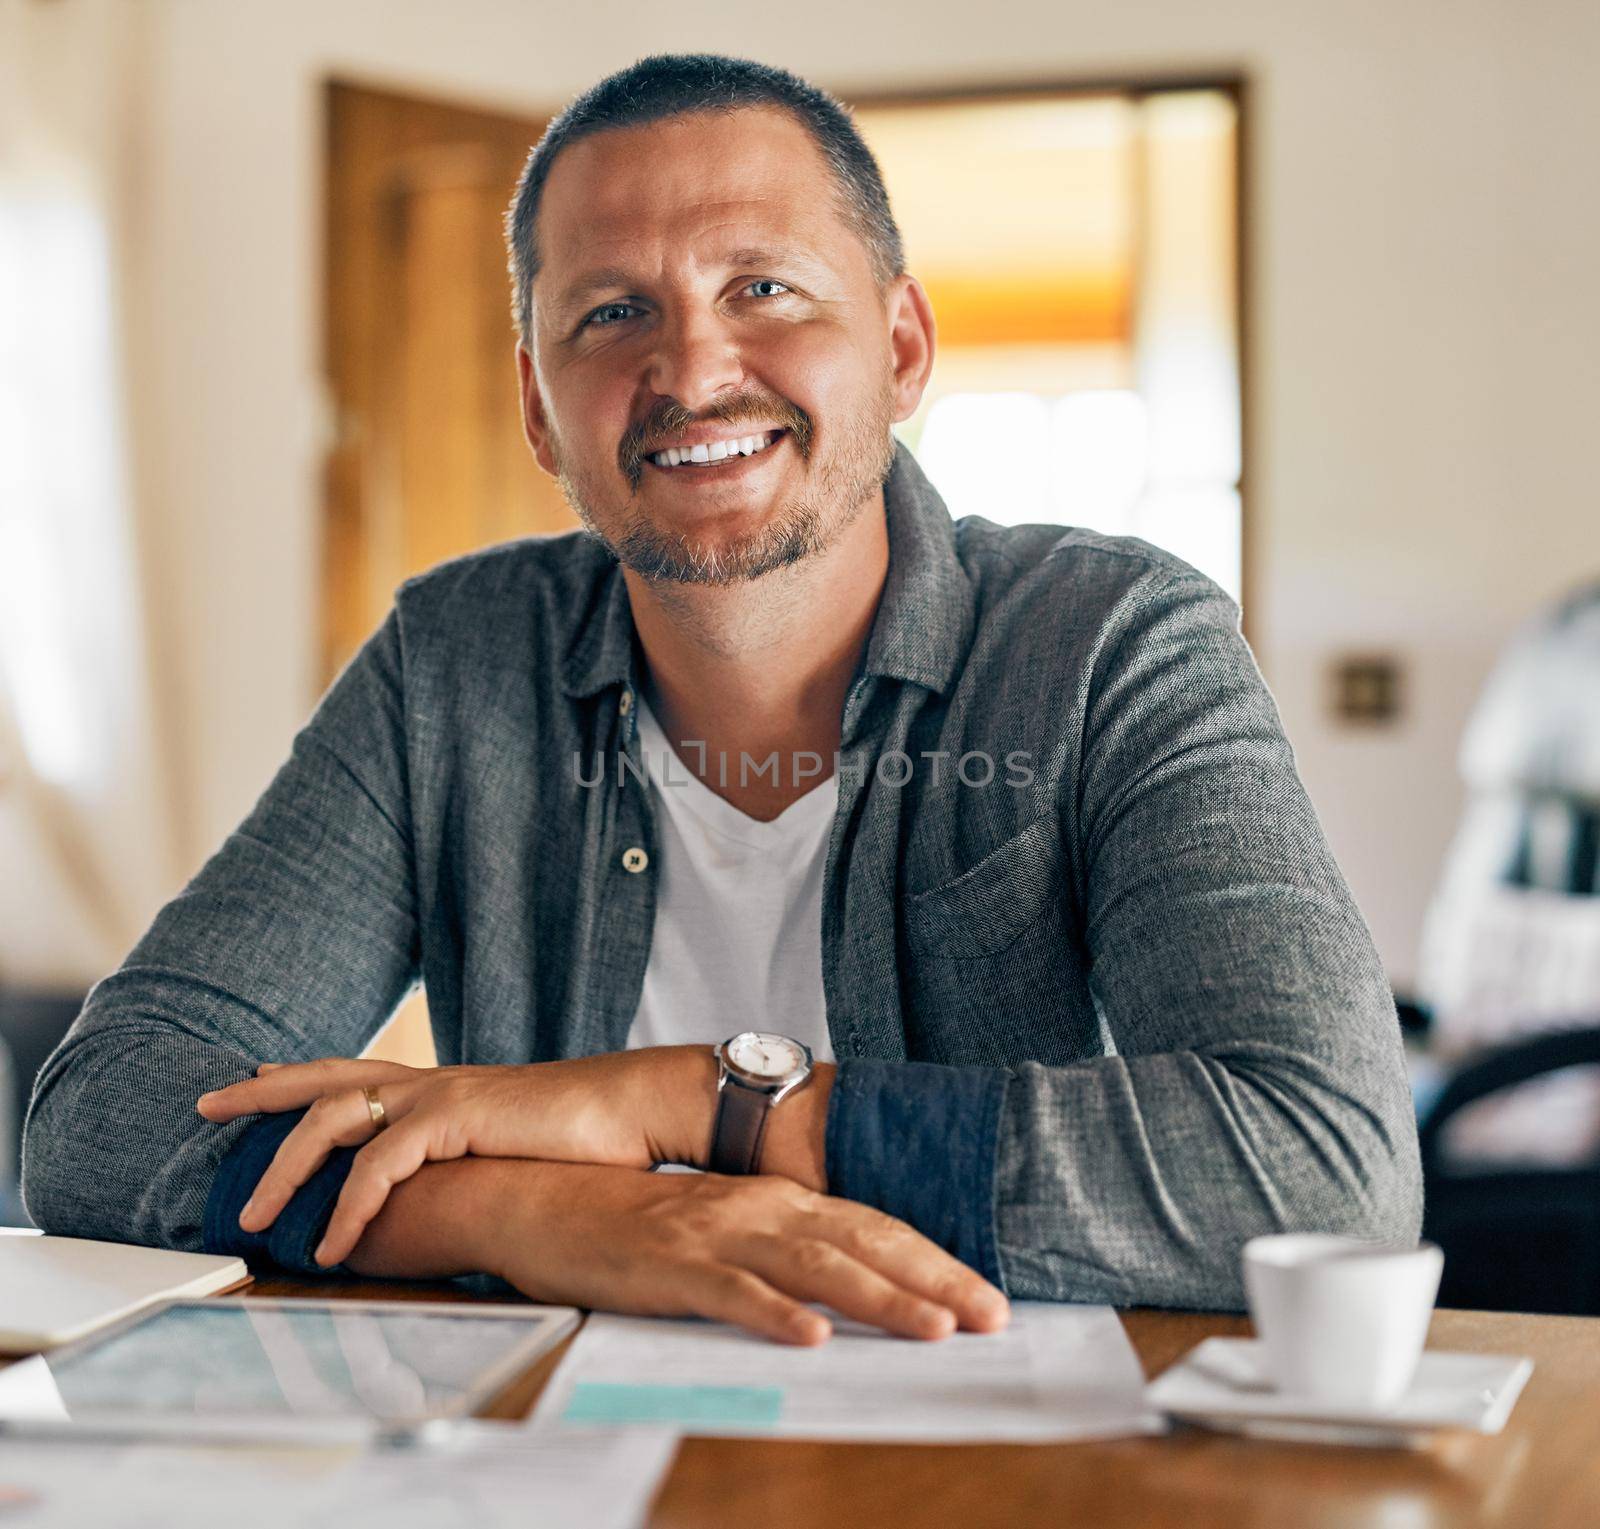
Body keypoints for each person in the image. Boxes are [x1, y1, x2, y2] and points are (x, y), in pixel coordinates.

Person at [23, 53, 1421, 1345]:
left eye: (765, 288)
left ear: (903, 349)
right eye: (613, 312)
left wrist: (699, 1103)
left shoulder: (1115, 641)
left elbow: (1324, 1167)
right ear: (536, 409)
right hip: (549, 1458)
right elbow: (103, 1115)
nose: (690, 372)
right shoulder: (449, 664)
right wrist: (544, 1208)